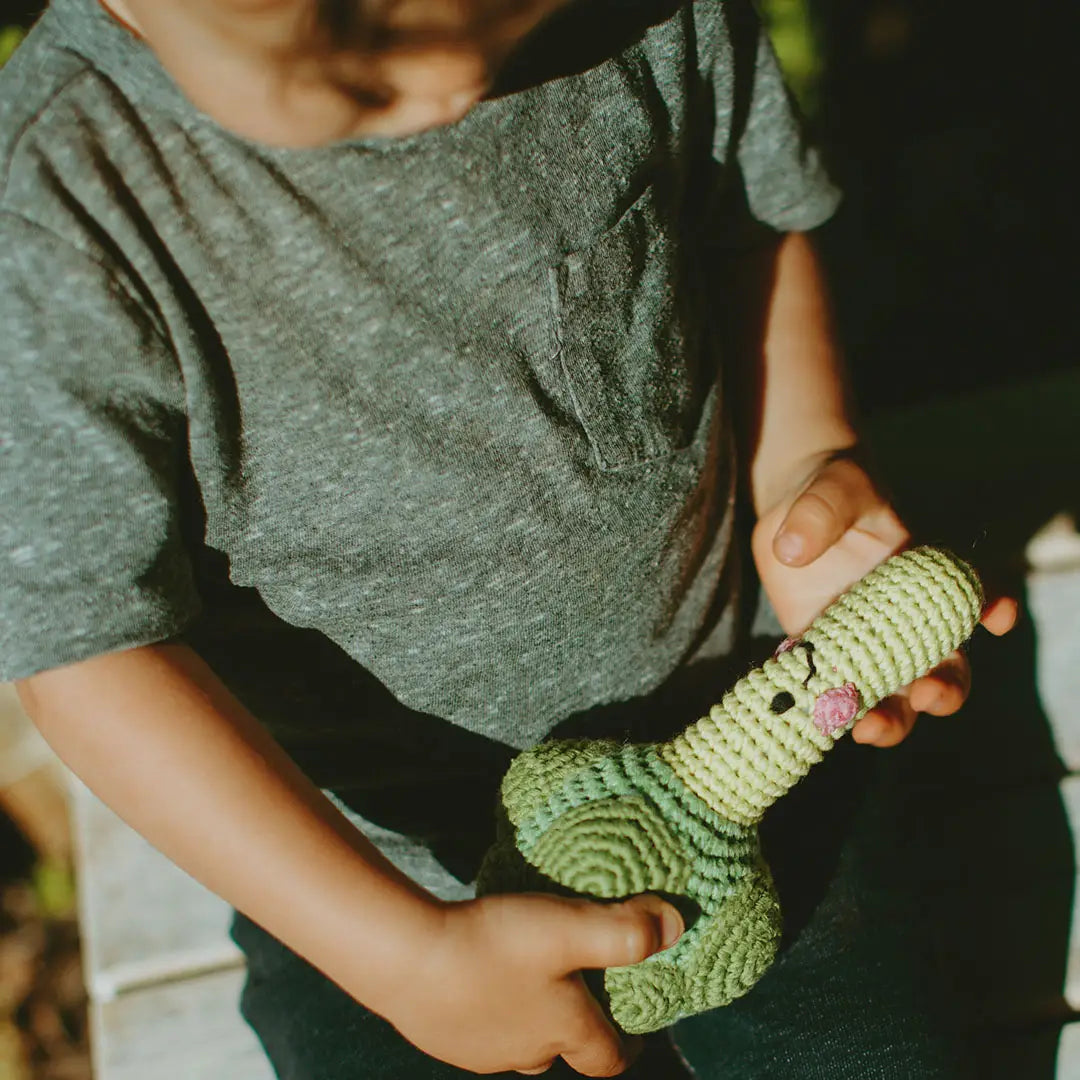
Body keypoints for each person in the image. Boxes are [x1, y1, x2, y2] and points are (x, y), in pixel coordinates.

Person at [0, 0, 1015, 1076]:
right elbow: (89, 646)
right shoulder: (60, 217)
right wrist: (401, 956)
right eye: (363, 72)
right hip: (382, 860)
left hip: (734, 746)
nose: (456, 91)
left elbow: (744, 222)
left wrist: (807, 467)